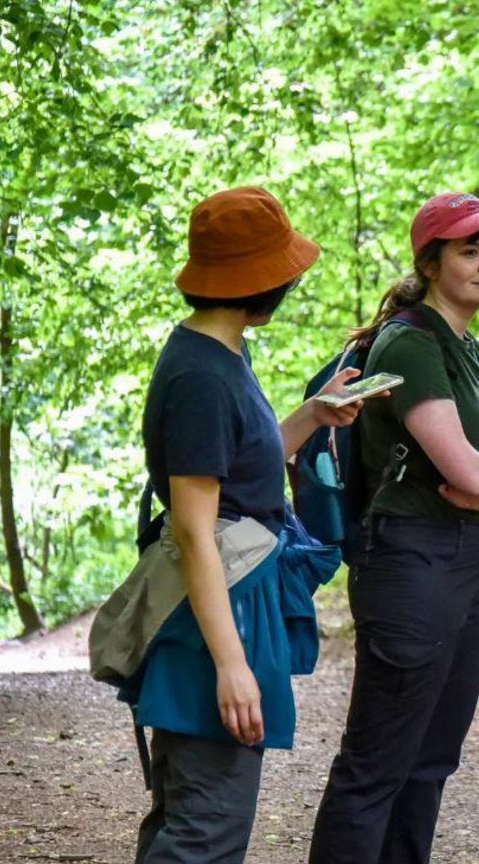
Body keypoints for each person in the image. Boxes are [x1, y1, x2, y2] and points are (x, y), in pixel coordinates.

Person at [135, 185, 368, 863]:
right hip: (213, 618)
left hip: (232, 602)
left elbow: (245, 467)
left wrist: (313, 416)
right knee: (207, 829)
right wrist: (232, 665)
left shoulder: (224, 353)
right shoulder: (201, 377)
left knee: (189, 818)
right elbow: (194, 530)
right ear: (262, 281)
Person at [309, 191, 479, 864]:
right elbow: (470, 473)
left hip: (470, 560)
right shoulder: (409, 339)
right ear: (431, 263)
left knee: (432, 760)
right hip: (410, 563)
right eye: (471, 250)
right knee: (378, 761)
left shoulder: (475, 350)